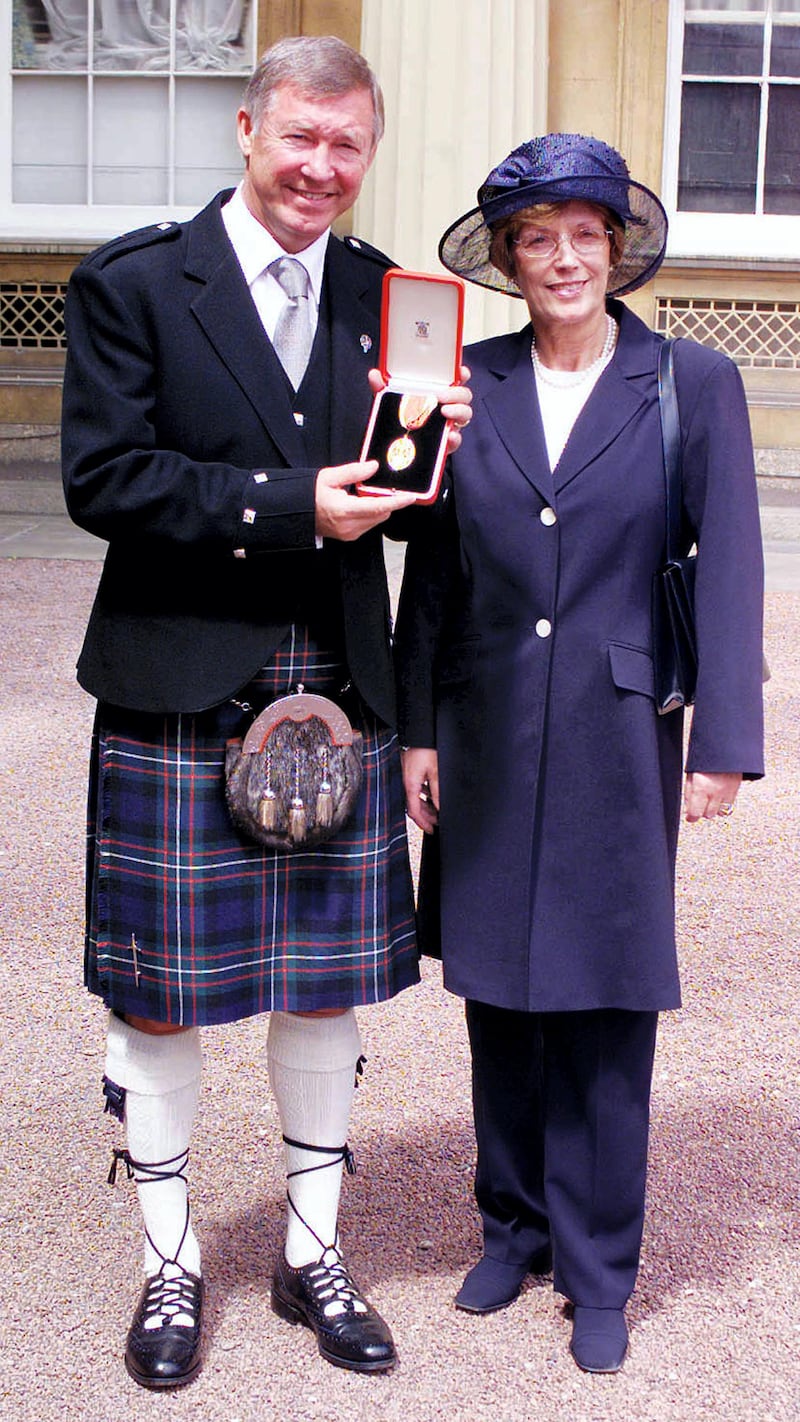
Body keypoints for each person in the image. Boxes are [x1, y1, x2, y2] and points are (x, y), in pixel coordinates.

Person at [61, 34, 470, 1390]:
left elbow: (419, 502)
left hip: (337, 690)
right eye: (299, 136)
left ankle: (311, 1249)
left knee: (321, 995)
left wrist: (447, 460)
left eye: (347, 144)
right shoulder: (134, 281)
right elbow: (104, 477)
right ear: (248, 128)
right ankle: (171, 1256)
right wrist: (289, 505)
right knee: (163, 1003)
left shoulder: (389, 294)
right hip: (184, 688)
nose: (321, 167)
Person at [395, 133, 764, 1375]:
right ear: (506, 257)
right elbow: (431, 579)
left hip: (618, 732)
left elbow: (730, 567)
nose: (560, 257)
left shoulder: (686, 382)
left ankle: (599, 1269)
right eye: (534, 237)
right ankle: (512, 1227)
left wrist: (723, 737)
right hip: (485, 727)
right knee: (495, 983)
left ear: (615, 250)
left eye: (582, 234)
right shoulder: (462, 379)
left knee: (606, 999)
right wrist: (414, 731)